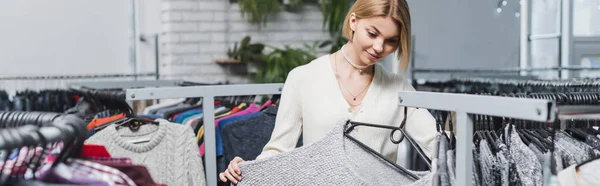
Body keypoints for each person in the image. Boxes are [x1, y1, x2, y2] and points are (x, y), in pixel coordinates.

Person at [220, 0, 436, 184]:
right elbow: (278, 152)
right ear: (353, 22)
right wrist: (246, 169)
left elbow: (437, 145)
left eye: (391, 41)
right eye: (372, 33)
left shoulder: (399, 89)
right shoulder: (302, 78)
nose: (379, 47)